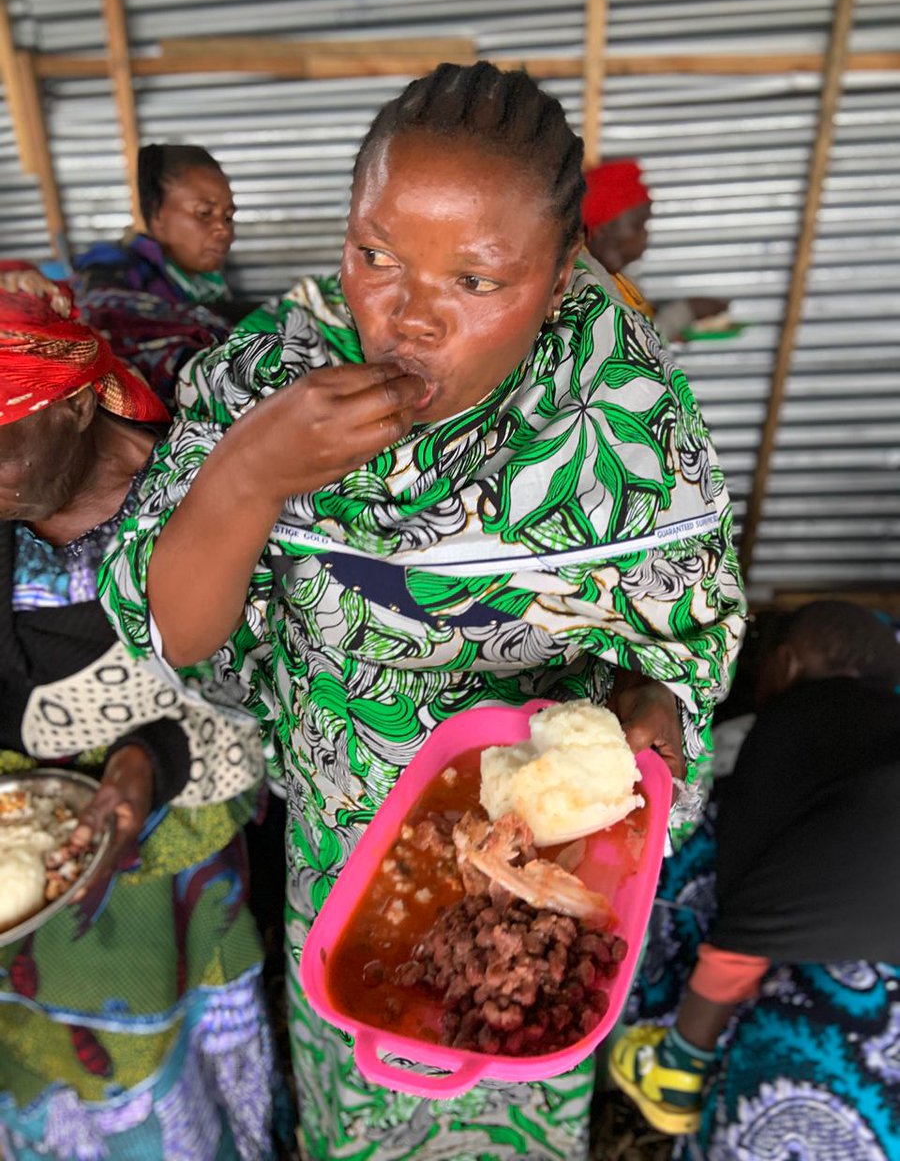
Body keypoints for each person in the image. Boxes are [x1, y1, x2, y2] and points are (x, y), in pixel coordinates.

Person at [101, 61, 746, 1160]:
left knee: (515, 1075)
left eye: (477, 279)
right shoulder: (267, 376)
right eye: (374, 257)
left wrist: (653, 708)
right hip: (348, 859)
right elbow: (179, 639)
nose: (407, 313)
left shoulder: (627, 413)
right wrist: (249, 478)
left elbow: (686, 643)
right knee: (361, 1091)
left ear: (557, 277)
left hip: (552, 874)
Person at [0, 277, 287, 1160]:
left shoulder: (202, 494)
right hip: (27, 859)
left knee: (176, 1063)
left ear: (81, 404)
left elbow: (251, 690)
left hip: (178, 860)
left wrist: (143, 768)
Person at [609, 601, 900, 1158]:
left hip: (852, 889)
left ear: (785, 665)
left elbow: (745, 887)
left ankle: (676, 1070)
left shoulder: (788, 724)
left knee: (747, 927)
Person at [69, 143, 248, 406]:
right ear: (156, 213)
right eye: (204, 213)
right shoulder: (113, 268)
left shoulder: (204, 282)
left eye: (229, 217)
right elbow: (97, 314)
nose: (223, 230)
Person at [582, 159, 730, 342]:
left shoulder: (618, 280)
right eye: (637, 226)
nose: (645, 236)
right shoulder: (584, 287)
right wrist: (688, 310)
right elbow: (632, 347)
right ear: (601, 229)